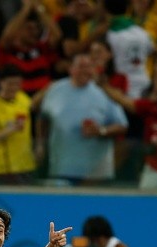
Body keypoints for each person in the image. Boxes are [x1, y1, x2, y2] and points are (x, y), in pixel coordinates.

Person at [38, 53, 128, 186]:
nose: (85, 71)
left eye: (89, 67)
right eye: (81, 66)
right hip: (61, 167)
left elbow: (122, 125)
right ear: (71, 69)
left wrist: (101, 131)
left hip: (95, 173)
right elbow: (43, 118)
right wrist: (40, 143)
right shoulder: (55, 90)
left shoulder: (103, 92)